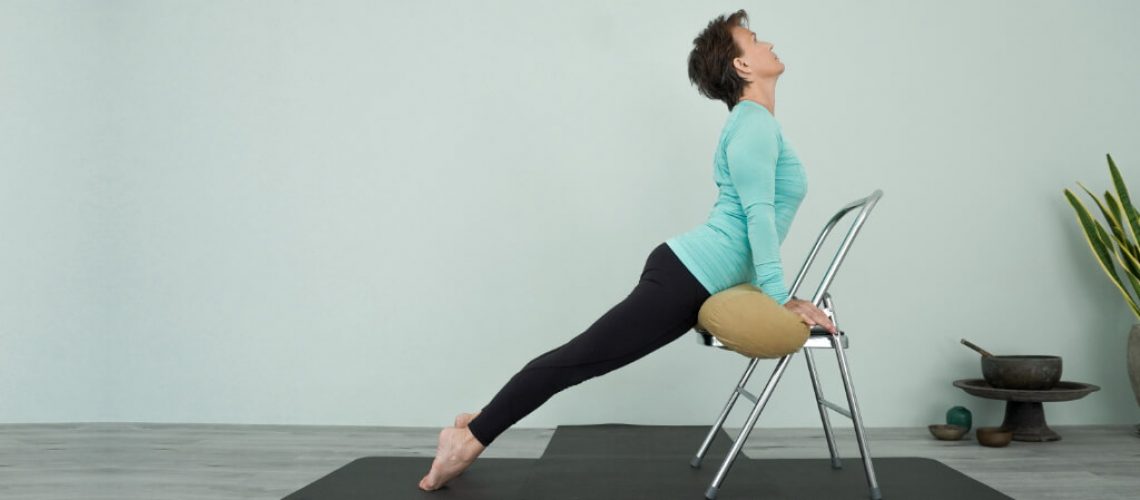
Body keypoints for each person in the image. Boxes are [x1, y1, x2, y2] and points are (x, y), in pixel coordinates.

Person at [418, 9, 836, 491]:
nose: (767, 45)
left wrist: (776, 293)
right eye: (755, 40)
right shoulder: (753, 125)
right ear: (742, 67)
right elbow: (759, 218)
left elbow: (756, 218)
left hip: (695, 272)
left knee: (582, 358)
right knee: (580, 359)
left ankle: (480, 420)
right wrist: (780, 297)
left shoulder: (756, 124)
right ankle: (469, 439)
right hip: (689, 274)